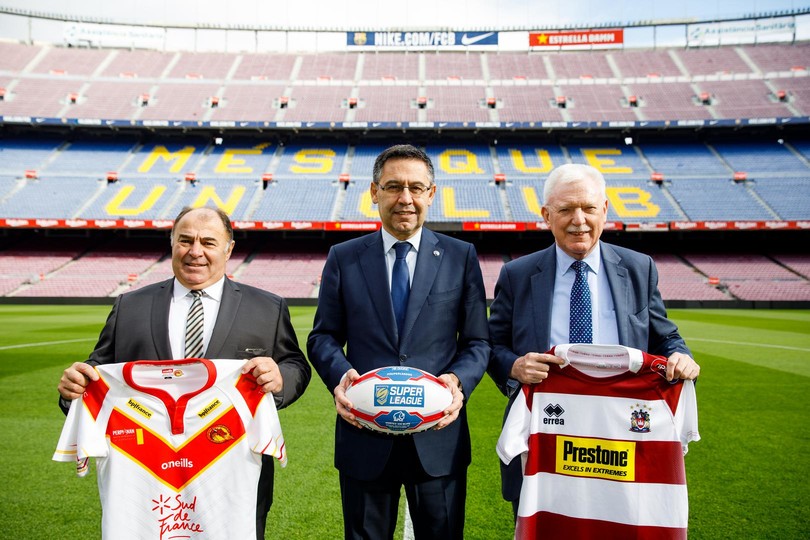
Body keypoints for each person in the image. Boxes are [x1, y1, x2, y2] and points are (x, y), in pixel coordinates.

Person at [57, 205, 311, 540]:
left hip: (231, 473)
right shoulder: (130, 306)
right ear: (171, 242)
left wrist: (280, 378)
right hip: (147, 474)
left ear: (228, 248)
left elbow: (295, 365)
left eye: (208, 242)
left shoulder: (267, 307)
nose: (195, 252)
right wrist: (74, 387)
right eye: (185, 240)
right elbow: (97, 371)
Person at [487, 163, 700, 516]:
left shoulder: (638, 268)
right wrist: (513, 366)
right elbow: (490, 346)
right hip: (543, 435)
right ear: (546, 215)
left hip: (622, 436)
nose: (579, 220)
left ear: (604, 210)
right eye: (566, 209)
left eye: (588, 208)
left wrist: (680, 356)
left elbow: (666, 337)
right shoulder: (517, 275)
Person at [307, 144, 490, 540]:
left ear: (431, 194)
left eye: (415, 187)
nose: (405, 198)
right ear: (374, 192)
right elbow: (322, 335)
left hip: (438, 437)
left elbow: (477, 341)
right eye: (393, 187)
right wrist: (341, 377)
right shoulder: (344, 257)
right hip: (364, 434)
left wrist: (458, 383)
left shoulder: (461, 256)